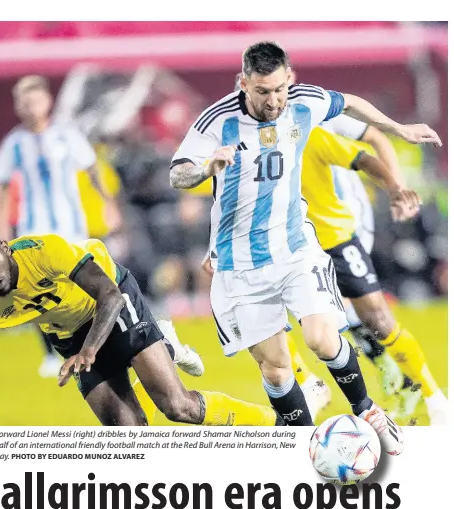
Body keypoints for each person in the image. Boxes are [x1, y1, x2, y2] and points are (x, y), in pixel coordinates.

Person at [170, 41, 441, 453]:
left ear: (289, 78)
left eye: (279, 89)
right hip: (238, 264)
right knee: (277, 371)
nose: (273, 100)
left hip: (295, 248)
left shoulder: (304, 103)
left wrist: (397, 130)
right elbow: (179, 175)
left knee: (320, 337)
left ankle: (368, 411)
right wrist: (206, 167)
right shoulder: (215, 121)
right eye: (262, 92)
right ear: (243, 83)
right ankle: (302, 446)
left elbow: (350, 103)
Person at [0, 223, 283, 498]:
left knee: (178, 407)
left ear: (5, 247)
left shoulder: (45, 251)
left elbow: (108, 294)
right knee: (130, 439)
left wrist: (90, 351)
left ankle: (274, 424)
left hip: (111, 300)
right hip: (70, 336)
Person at [300, 125, 448, 425]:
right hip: (300, 231)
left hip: (344, 220)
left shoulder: (319, 109)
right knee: (331, 316)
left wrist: (398, 189)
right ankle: (396, 379)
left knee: (358, 313)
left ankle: (413, 386)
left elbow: (376, 138)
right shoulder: (249, 130)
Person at [0, 74, 123, 378]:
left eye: (35, 99)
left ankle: (96, 343)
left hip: (70, 227)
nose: (31, 106)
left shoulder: (67, 135)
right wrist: (1, 229)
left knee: (87, 285)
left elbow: (92, 170)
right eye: (24, 101)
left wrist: (109, 204)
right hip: (32, 229)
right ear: (17, 106)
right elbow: (1, 189)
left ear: (47, 102)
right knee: (38, 291)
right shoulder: (13, 144)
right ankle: (52, 353)